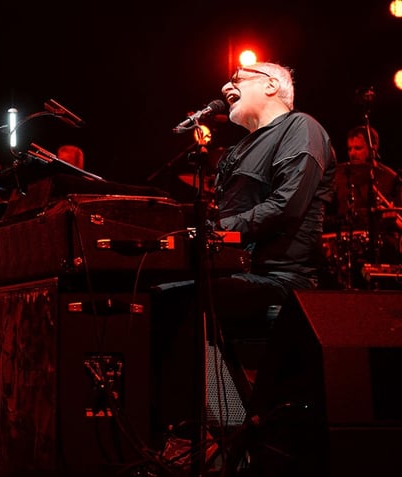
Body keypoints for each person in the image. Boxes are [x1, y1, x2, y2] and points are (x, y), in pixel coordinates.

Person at [149, 63, 337, 468]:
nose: (224, 85)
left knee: (183, 304)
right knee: (157, 298)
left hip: (282, 280)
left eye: (237, 78)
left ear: (271, 85)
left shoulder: (299, 128)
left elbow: (287, 206)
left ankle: (225, 430)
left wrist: (215, 233)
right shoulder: (236, 150)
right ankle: (223, 425)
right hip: (238, 274)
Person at [323, 125, 401, 279]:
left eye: (358, 148)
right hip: (345, 235)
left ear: (373, 148)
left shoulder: (389, 178)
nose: (352, 153)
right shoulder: (339, 175)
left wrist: (389, 217)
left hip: (377, 239)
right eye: (350, 149)